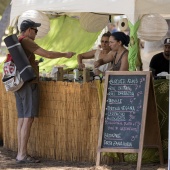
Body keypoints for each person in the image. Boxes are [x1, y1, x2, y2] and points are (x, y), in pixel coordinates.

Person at [15, 19, 75, 163]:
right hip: (29, 83)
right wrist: (64, 54)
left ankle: (19, 153)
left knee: (22, 118)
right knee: (28, 118)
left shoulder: (17, 39)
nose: (36, 33)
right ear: (29, 30)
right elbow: (46, 54)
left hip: (18, 82)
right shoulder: (27, 41)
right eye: (35, 30)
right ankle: (22, 154)